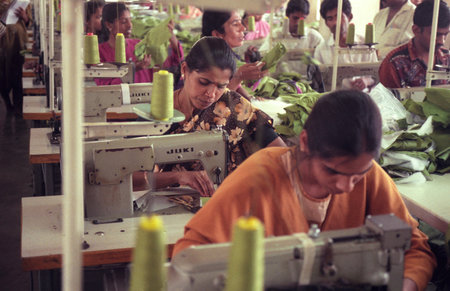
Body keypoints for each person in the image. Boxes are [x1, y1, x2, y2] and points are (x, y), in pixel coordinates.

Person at [173, 89, 436, 291]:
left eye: (358, 175)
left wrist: (407, 284)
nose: (346, 186)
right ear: (306, 142)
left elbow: (413, 247)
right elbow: (188, 256)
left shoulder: (370, 178)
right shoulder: (257, 178)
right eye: (333, 171)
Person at [134, 37, 286, 197]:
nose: (211, 95)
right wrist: (179, 177)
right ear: (185, 70)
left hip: (227, 200)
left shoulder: (233, 105)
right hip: (165, 206)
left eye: (221, 86)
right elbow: (129, 178)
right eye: (204, 82)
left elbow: (281, 154)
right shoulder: (155, 115)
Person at [95, 2, 183, 85]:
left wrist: (170, 35)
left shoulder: (139, 45)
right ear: (109, 25)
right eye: (124, 22)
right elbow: (105, 85)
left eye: (130, 20)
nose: (130, 25)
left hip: (147, 98)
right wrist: (133, 69)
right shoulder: (99, 53)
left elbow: (171, 62)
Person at [379, 0, 450, 88]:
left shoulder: (447, 58)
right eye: (436, 34)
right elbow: (386, 100)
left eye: (446, 34)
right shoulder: (394, 63)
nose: (442, 41)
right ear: (416, 30)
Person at [202, 10, 268, 101]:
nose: (243, 28)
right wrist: (239, 76)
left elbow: (238, 88)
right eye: (236, 24)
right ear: (217, 34)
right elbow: (216, 102)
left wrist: (251, 100)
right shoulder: (207, 61)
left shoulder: (226, 55)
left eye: (241, 23)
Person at [314, 0, 378, 91]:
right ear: (326, 23)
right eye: (330, 18)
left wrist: (366, 81)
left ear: (350, 17)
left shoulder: (365, 45)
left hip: (363, 97)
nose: (335, 22)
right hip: (334, 99)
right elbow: (318, 81)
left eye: (338, 16)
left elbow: (375, 75)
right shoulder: (321, 49)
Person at [0, 0, 31, 115]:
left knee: (18, 73)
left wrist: (24, 16)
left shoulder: (22, 2)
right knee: (3, 74)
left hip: (19, 40)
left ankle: (18, 106)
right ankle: (8, 103)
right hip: (3, 41)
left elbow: (29, 22)